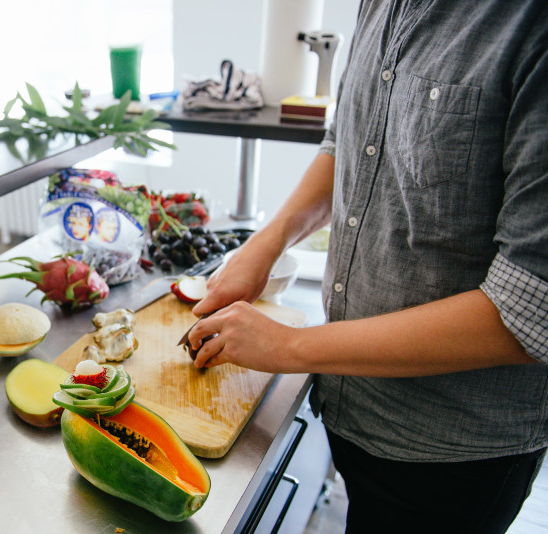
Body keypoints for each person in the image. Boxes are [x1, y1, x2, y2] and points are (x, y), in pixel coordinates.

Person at [188, 1, 548, 532]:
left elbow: (527, 311)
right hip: (353, 407)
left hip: (451, 456)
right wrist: (264, 245)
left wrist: (288, 347)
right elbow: (349, 141)